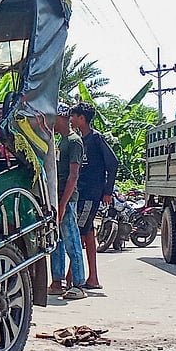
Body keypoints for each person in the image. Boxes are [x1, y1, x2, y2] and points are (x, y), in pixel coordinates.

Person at [69, 102, 119, 290]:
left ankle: (71, 277)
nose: (71, 120)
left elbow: (113, 163)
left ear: (82, 118)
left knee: (78, 234)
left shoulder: (96, 138)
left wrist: (107, 191)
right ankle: (93, 278)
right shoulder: (77, 140)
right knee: (88, 233)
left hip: (91, 194)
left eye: (73, 116)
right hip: (81, 193)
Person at [50, 104, 88, 300]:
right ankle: (57, 281)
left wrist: (63, 204)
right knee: (56, 241)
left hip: (67, 199)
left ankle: (79, 284)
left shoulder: (74, 142)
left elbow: (73, 176)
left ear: (62, 118)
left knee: (72, 239)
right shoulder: (61, 141)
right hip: (58, 198)